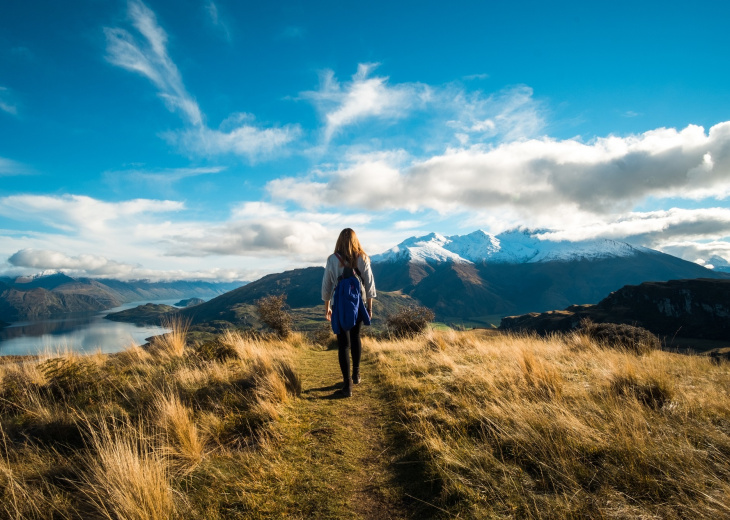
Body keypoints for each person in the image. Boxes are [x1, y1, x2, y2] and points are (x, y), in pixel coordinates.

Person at [321, 228, 376, 397]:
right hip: (358, 305)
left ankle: (347, 386)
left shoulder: (332, 260)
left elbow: (327, 285)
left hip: (341, 305)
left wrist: (327, 306)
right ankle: (356, 375)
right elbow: (369, 284)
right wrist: (369, 307)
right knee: (356, 337)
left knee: (343, 343)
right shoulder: (363, 257)